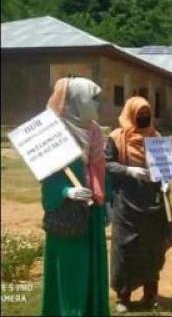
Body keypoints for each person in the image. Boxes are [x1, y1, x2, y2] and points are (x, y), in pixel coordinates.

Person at [41, 77, 110, 316]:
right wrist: (66, 191)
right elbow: (47, 175)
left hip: (93, 209)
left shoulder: (94, 131)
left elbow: (100, 168)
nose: (98, 104)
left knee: (91, 267)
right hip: (67, 213)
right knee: (71, 269)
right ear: (77, 100)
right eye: (94, 98)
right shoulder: (54, 131)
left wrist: (105, 200)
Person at [106, 97, 171, 313]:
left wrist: (166, 183)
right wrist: (128, 170)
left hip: (152, 203)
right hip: (125, 203)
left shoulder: (156, 137)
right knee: (124, 249)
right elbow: (107, 164)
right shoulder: (116, 138)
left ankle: (150, 294)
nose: (144, 117)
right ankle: (122, 297)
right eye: (139, 114)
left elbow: (165, 170)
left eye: (147, 113)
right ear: (130, 114)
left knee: (151, 249)